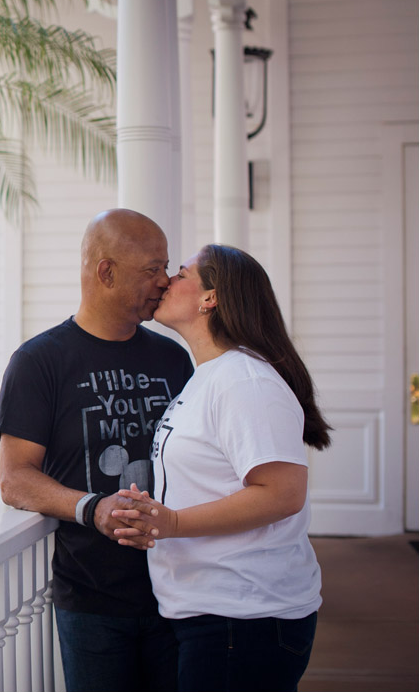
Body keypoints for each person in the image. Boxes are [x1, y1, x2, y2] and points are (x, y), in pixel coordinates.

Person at [111, 243, 331, 692]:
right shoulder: (210, 376)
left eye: (182, 273)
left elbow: (281, 492)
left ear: (209, 297)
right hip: (212, 614)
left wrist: (170, 522)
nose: (167, 280)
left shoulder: (244, 381)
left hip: (244, 618)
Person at [0, 208, 194, 692]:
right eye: (152, 269)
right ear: (106, 272)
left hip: (181, 588)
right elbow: (15, 478)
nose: (165, 282)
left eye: (167, 268)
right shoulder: (39, 362)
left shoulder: (173, 357)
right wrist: (92, 507)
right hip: (93, 599)